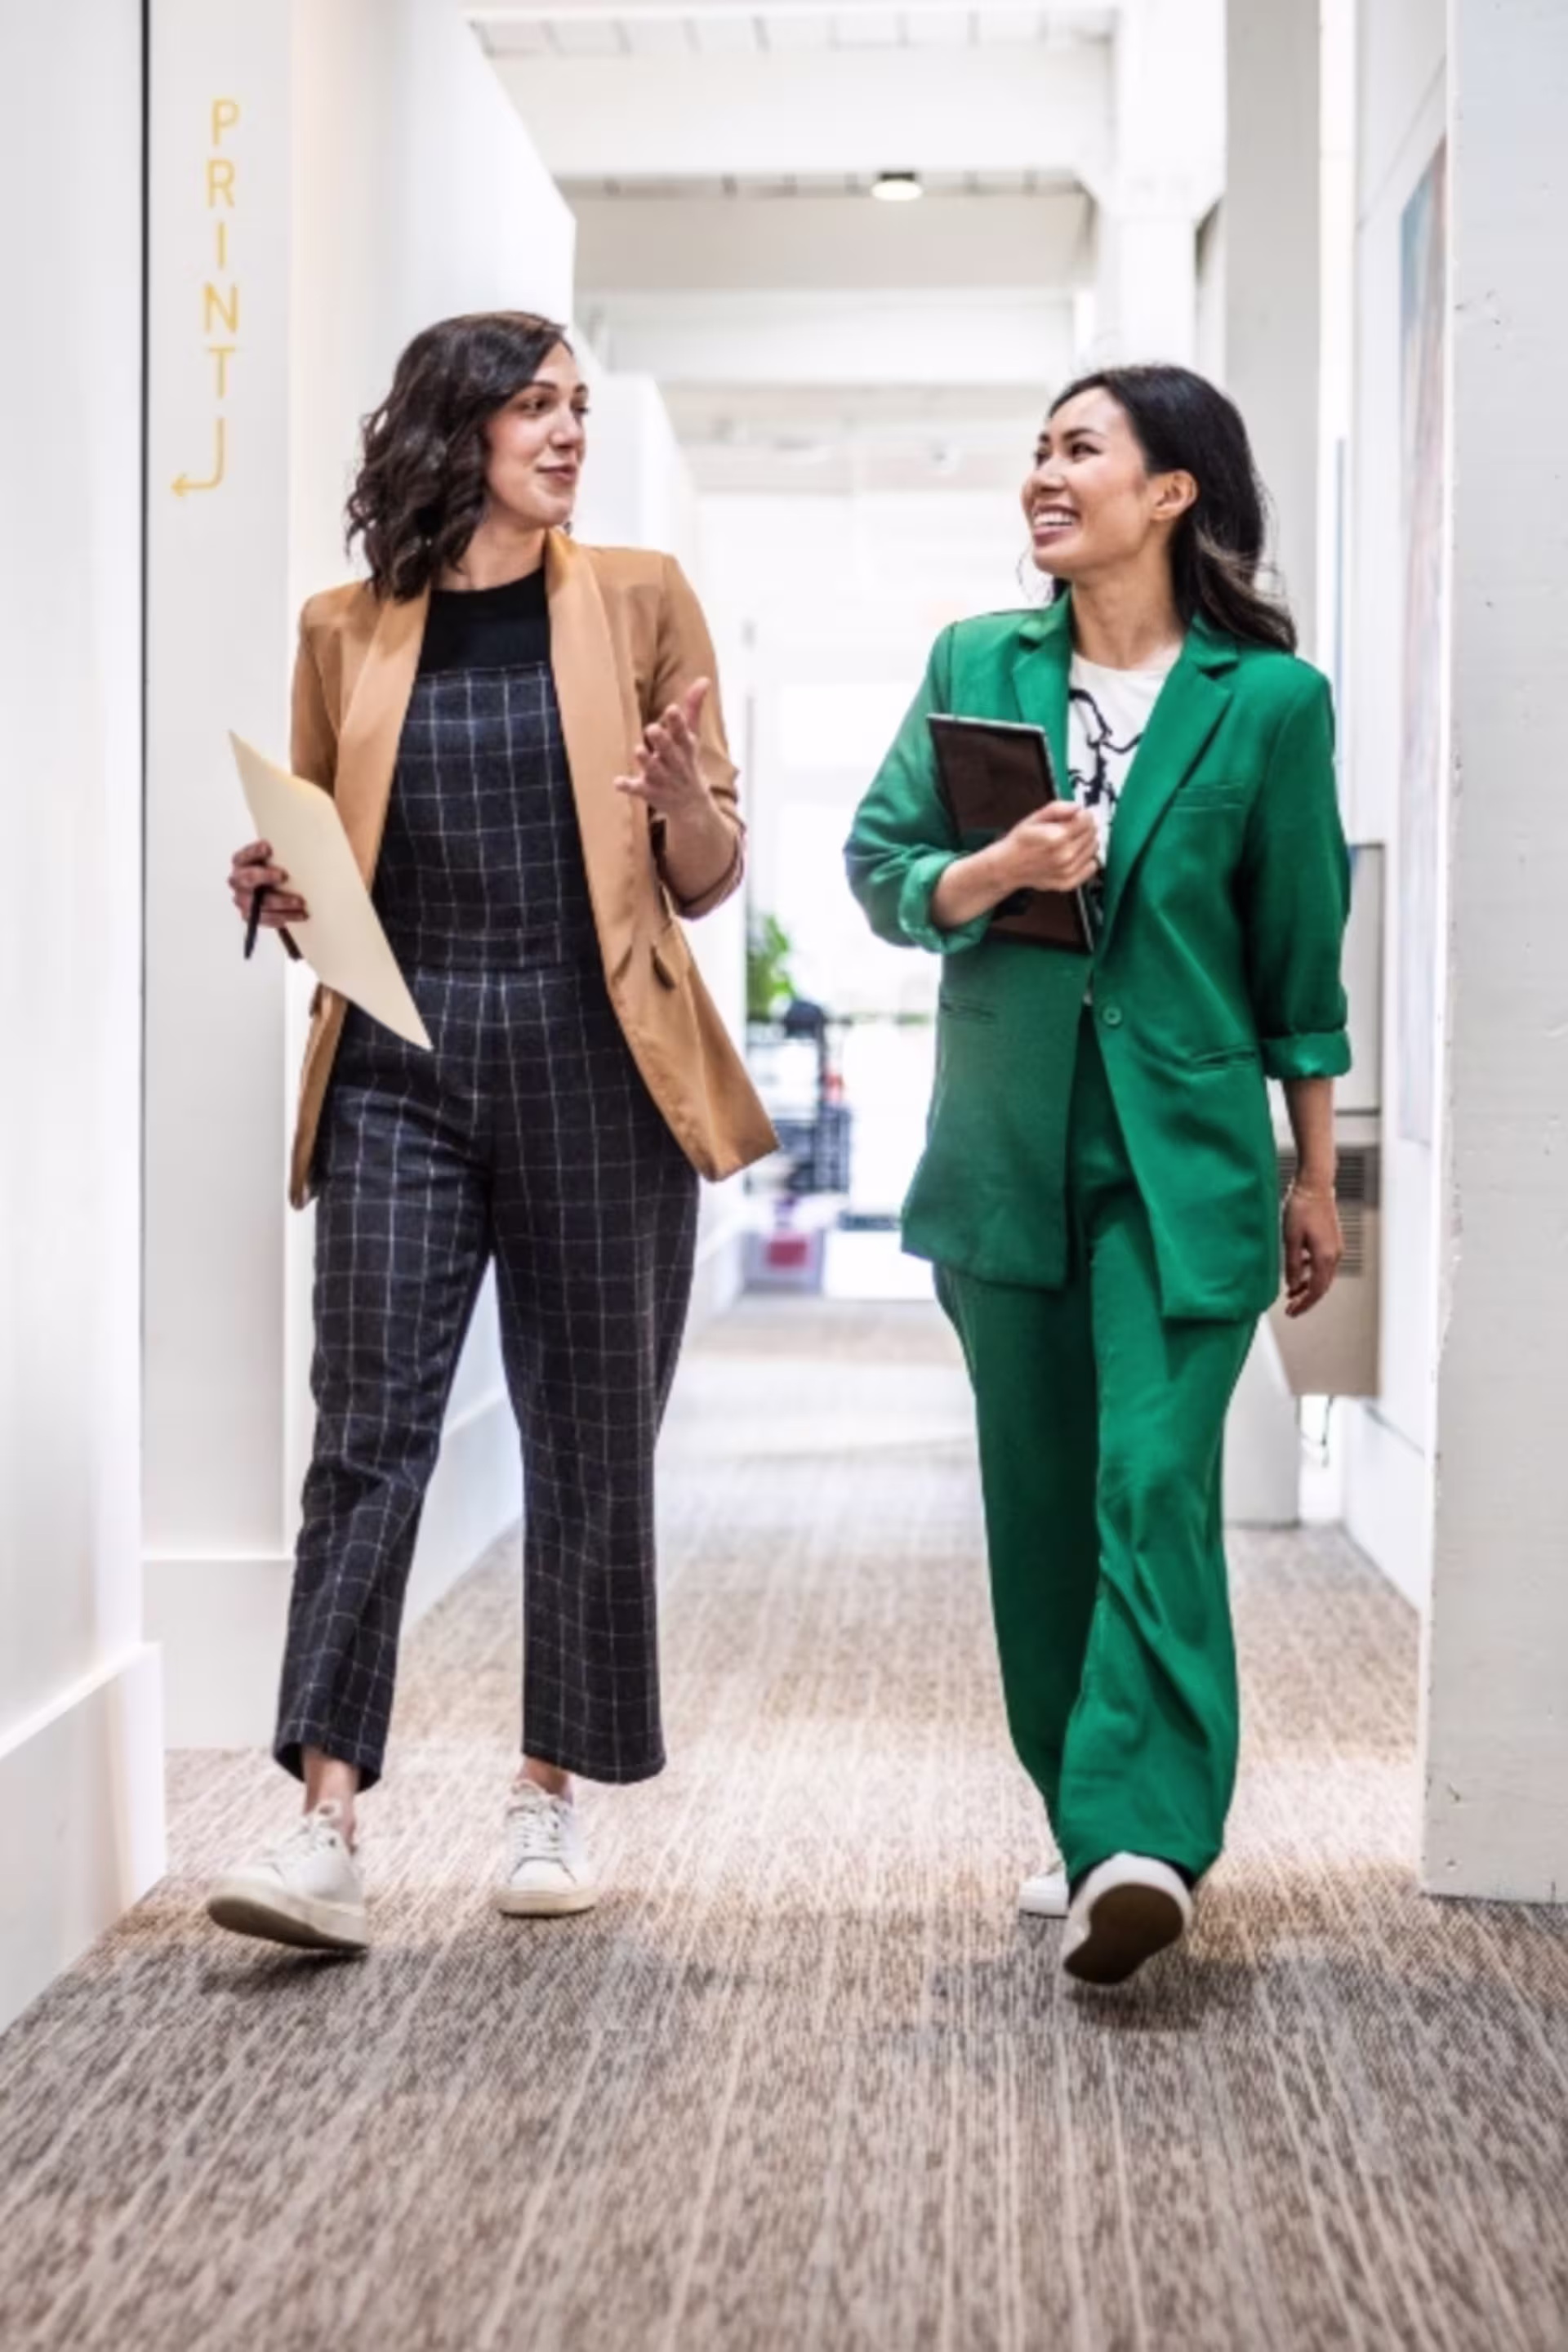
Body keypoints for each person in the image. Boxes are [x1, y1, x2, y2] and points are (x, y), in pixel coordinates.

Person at [207, 310, 774, 1953]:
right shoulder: (344, 630)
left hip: (603, 1068)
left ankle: (545, 1793)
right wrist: (281, 891)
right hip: (399, 1064)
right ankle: (323, 1817)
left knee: (586, 1440)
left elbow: (709, 868)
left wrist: (680, 796)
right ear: (454, 428)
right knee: (365, 1427)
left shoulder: (642, 598)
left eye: (578, 406)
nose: (566, 432)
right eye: (534, 405)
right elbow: (327, 859)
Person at [844, 364, 1350, 1986]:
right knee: (1044, 1505)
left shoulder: (1268, 705)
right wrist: (988, 872)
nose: (1044, 478)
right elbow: (877, 864)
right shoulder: (972, 666)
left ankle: (1147, 1835)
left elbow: (1302, 965)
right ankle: (1084, 1816)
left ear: (1173, 489)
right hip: (1007, 1151)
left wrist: (1316, 1173)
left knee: (1150, 1474)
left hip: (1184, 1160)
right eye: (1038, 453)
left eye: (1081, 450)